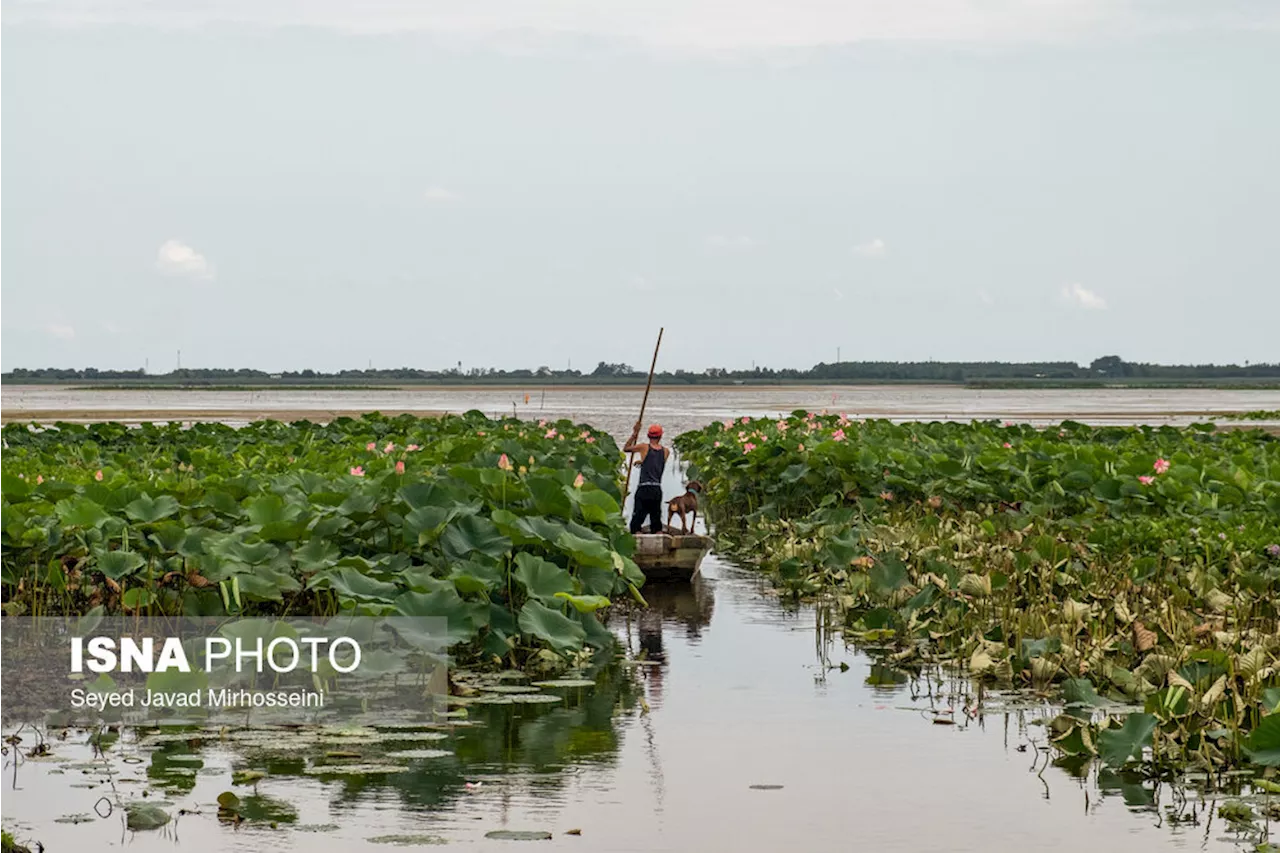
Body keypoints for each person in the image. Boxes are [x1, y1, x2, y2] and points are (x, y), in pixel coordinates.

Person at [625, 422, 670, 534]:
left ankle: (637, 534)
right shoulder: (666, 451)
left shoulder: (643, 447)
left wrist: (634, 434)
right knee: (656, 519)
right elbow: (656, 464)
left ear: (648, 435)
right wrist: (642, 462)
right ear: (660, 436)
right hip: (656, 489)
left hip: (644, 488)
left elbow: (626, 448)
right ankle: (658, 534)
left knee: (637, 518)